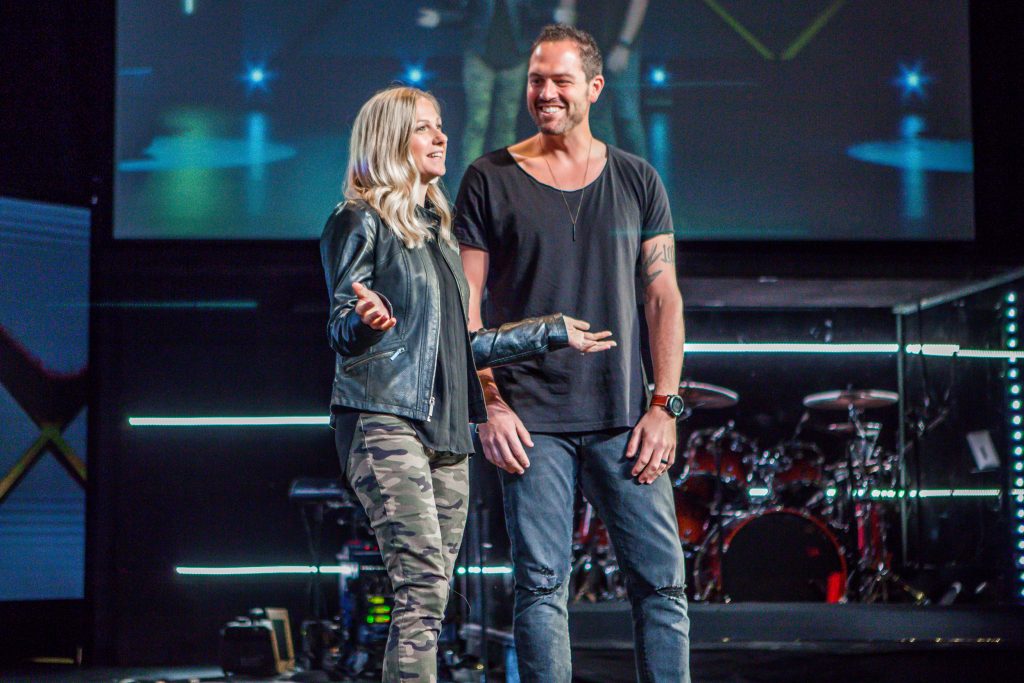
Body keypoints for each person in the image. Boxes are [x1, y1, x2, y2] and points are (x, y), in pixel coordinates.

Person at [319, 85, 614, 683]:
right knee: (423, 584)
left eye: (440, 125)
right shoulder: (359, 221)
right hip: (385, 417)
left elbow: (462, 346)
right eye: (424, 128)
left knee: (432, 599)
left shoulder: (438, 235)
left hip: (447, 431)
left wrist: (549, 332)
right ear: (390, 140)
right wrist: (364, 320)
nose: (441, 137)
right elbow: (341, 325)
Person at [454, 25, 690, 683]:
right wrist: (489, 405)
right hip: (530, 421)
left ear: (594, 87)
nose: (546, 93)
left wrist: (665, 405)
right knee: (540, 587)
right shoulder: (488, 178)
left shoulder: (638, 179)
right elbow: (465, 311)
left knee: (663, 586)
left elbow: (663, 297)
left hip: (625, 418)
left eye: (561, 80)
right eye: (537, 80)